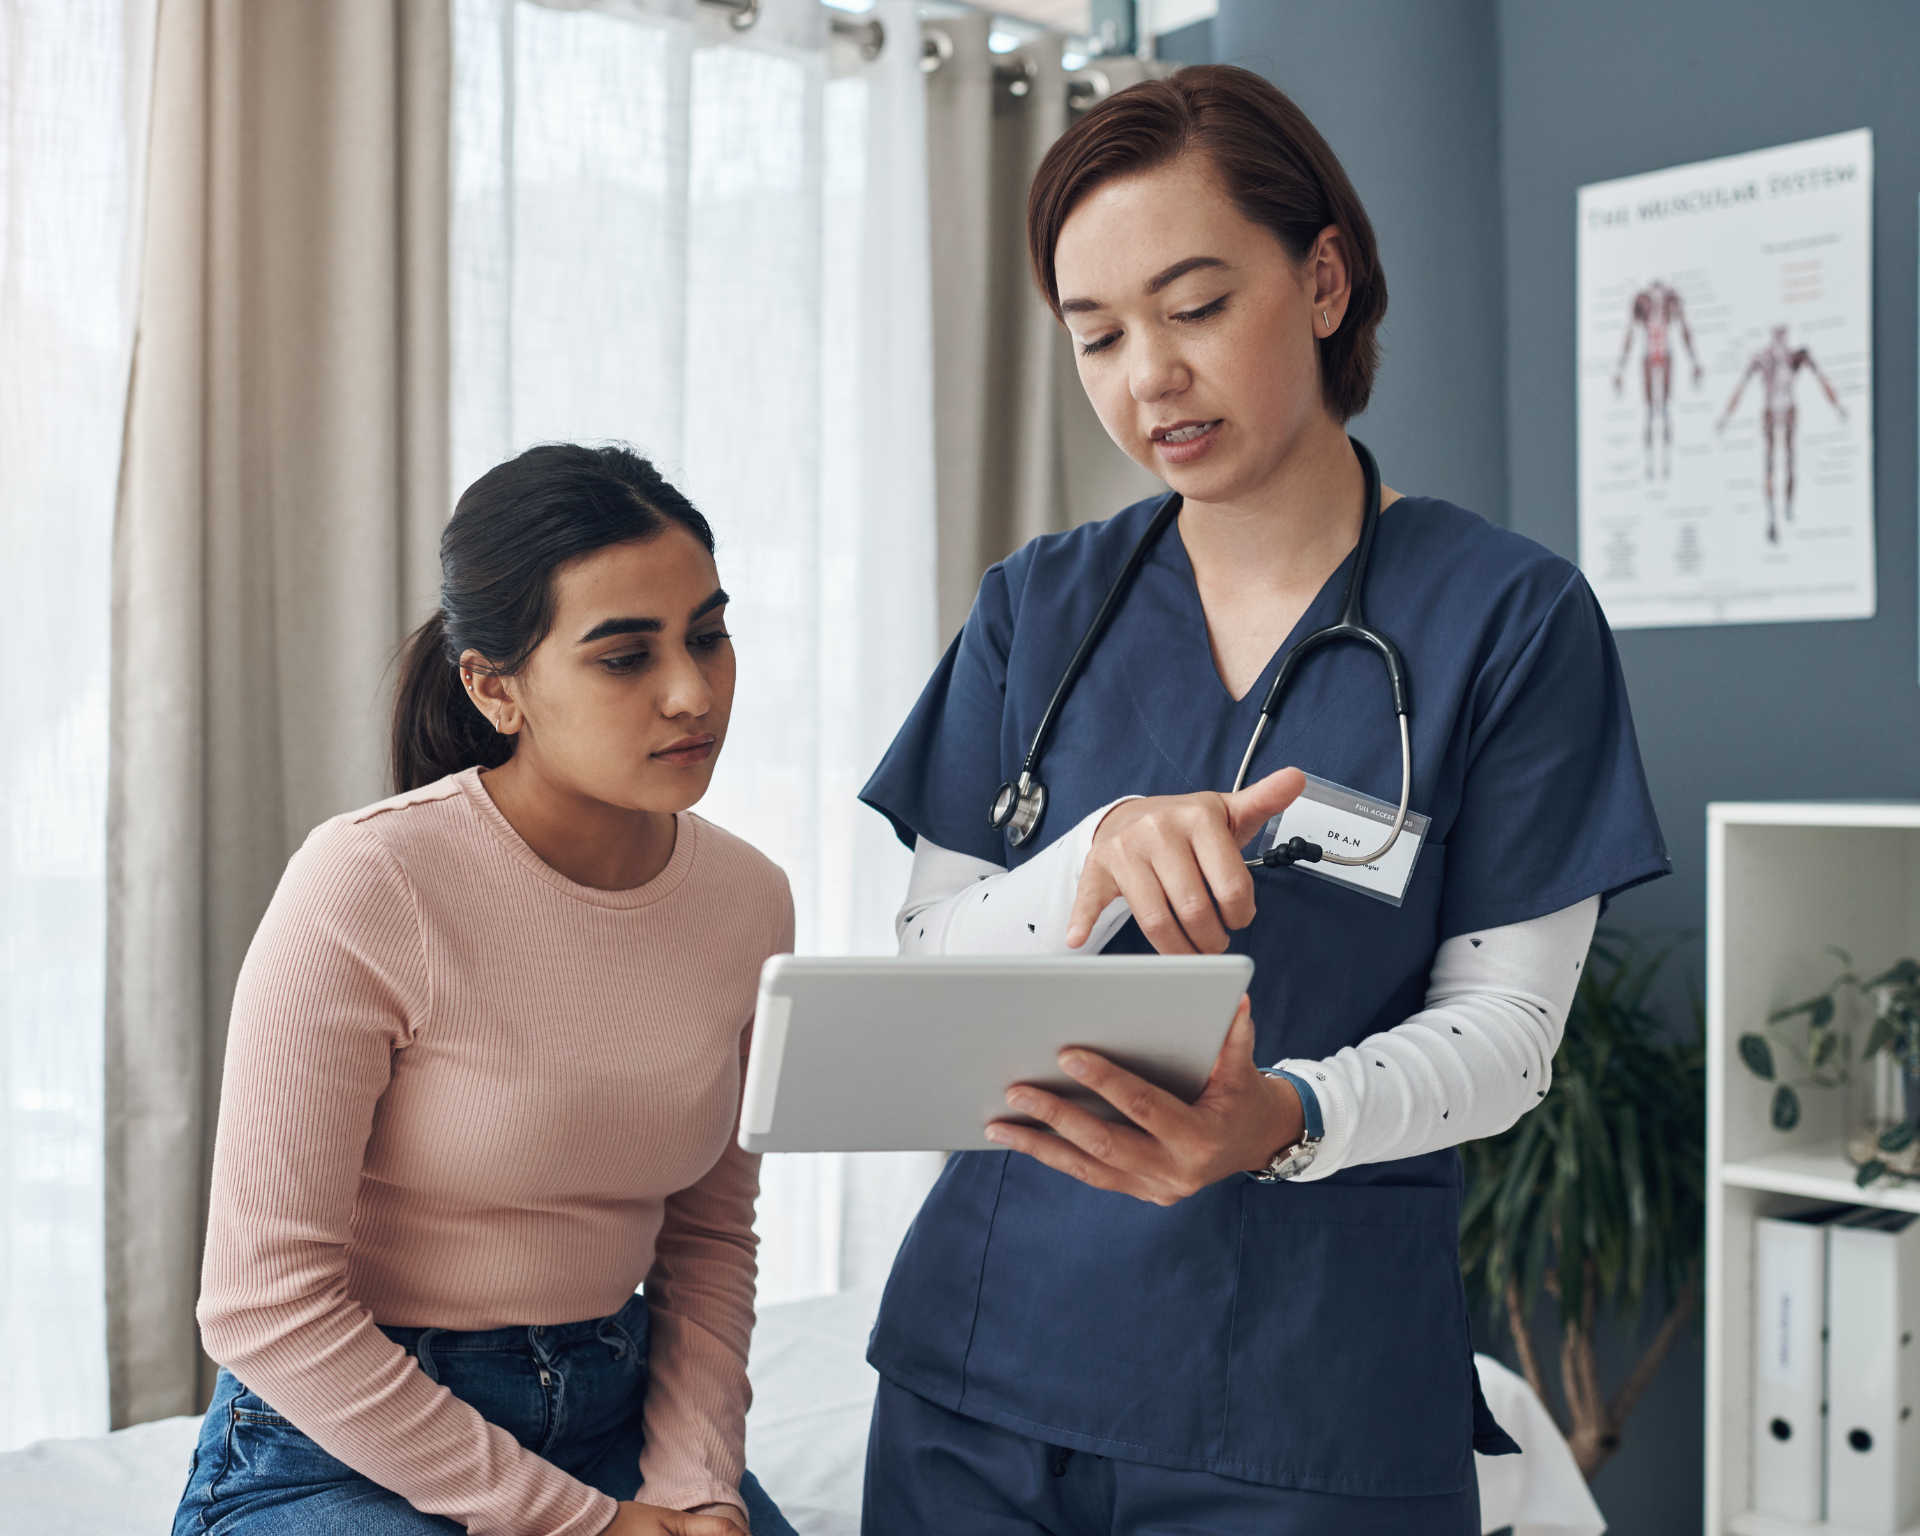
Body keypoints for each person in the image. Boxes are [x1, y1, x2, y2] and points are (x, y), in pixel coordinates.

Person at [858, 66, 1669, 1535]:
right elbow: (926, 967)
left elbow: (1510, 1037)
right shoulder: (1037, 607)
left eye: (1193, 305)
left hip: (1313, 1394)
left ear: (1323, 279)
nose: (1146, 377)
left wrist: (1283, 1116)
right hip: (980, 1370)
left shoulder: (1509, 618)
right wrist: (1092, 858)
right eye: (1095, 334)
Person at [172, 445, 799, 1536]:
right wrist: (584, 1524)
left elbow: (708, 1237)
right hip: (344, 1437)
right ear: (492, 685)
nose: (693, 691)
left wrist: (695, 1489)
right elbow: (264, 1305)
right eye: (623, 658)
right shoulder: (369, 882)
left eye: (707, 634)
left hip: (615, 1403)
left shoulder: (748, 899)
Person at [1716, 323, 1848, 542]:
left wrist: (1837, 406)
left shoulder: (1796, 357)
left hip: (1788, 410)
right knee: (1769, 464)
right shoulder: (1762, 359)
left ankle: (1787, 509)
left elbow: (1821, 379)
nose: (1780, 337)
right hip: (1771, 411)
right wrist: (1725, 418)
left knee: (1789, 461)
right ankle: (1772, 519)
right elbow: (1741, 387)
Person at [1612, 277, 1703, 480]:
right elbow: (1630, 333)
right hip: (1648, 352)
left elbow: (1684, 330)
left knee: (1665, 409)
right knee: (1650, 411)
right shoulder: (1641, 300)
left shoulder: (1672, 298)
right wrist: (1620, 369)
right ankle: (1650, 464)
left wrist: (1694, 361)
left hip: (1665, 351)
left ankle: (1666, 463)